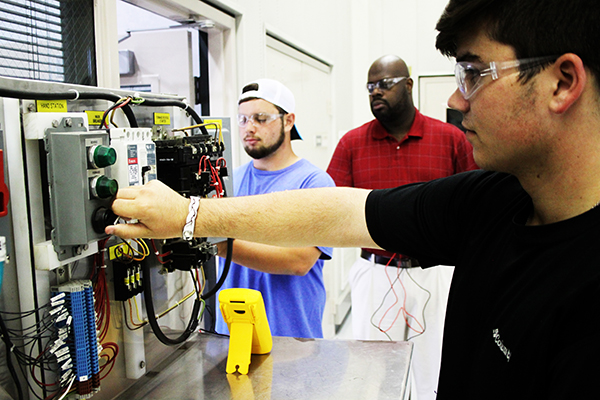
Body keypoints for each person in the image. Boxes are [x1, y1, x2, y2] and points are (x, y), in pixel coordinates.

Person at [106, 0, 600, 397]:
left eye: (473, 73)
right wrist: (188, 215)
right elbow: (342, 209)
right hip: (376, 273)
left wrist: (197, 225)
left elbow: (304, 247)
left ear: (562, 82)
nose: (456, 100)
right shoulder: (490, 201)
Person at [326, 55, 477, 400]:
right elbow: (332, 205)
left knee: (434, 366)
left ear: (408, 85)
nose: (376, 92)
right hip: (375, 271)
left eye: (385, 84)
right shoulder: (352, 143)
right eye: (370, 87)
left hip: (434, 272)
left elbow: (473, 206)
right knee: (370, 373)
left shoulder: (450, 139)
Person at [214, 78, 334, 339]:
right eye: (243, 119)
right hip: (231, 335)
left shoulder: (313, 184)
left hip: (290, 337)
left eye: (261, 118)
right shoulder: (229, 182)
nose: (250, 128)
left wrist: (221, 245)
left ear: (288, 121)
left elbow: (300, 261)